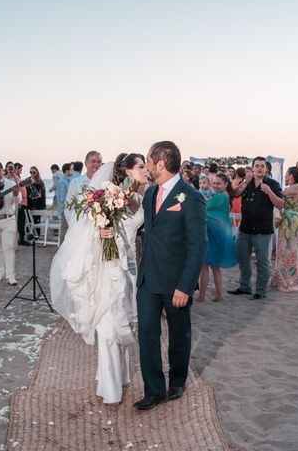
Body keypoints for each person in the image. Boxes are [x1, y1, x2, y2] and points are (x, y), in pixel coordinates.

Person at [50, 153, 148, 405]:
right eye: (141, 166)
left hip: (130, 267)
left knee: (125, 318)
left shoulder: (139, 195)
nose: (145, 169)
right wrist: (101, 231)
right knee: (109, 324)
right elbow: (86, 229)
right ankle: (110, 388)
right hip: (108, 268)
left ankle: (123, 375)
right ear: (128, 172)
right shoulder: (109, 196)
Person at [134, 140, 207, 411]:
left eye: (149, 161)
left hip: (176, 282)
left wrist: (185, 286)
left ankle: (177, 381)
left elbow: (198, 246)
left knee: (179, 334)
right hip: (148, 279)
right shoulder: (150, 194)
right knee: (147, 335)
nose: (147, 166)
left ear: (161, 163)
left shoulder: (192, 197)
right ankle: (154, 390)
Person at [228, 156, 283, 300]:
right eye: (257, 166)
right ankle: (244, 286)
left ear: (266, 169)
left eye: (262, 166)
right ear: (252, 168)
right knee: (243, 259)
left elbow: (281, 204)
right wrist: (245, 182)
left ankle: (260, 291)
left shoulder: (272, 184)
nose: (259, 168)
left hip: (262, 230)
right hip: (245, 228)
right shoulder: (247, 182)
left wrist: (269, 192)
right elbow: (234, 194)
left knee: (263, 262)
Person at [197, 173, 237, 302]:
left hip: (214, 234)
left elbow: (204, 206)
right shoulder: (222, 196)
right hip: (217, 233)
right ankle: (217, 294)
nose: (215, 185)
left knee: (205, 265)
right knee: (214, 267)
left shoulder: (220, 196)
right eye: (213, 183)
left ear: (226, 184)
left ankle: (202, 295)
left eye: (218, 183)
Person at [271, 167, 298, 293]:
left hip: (292, 222)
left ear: (291, 175)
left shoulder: (297, 186)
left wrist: (271, 190)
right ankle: (280, 279)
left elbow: (282, 194)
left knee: (290, 252)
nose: (285, 176)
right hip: (285, 221)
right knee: (282, 251)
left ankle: (289, 281)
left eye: (286, 174)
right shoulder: (294, 187)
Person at [65, 151, 103, 226]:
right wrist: (73, 225)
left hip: (99, 227)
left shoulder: (104, 183)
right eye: (93, 161)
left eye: (99, 162)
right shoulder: (76, 182)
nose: (96, 164)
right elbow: (68, 207)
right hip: (79, 226)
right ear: (86, 163)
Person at [56, 162, 74, 244]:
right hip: (64, 209)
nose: (72, 171)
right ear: (67, 170)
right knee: (64, 228)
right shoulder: (63, 182)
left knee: (67, 228)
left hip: (67, 208)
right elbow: (63, 198)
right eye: (71, 169)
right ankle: (61, 247)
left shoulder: (67, 180)